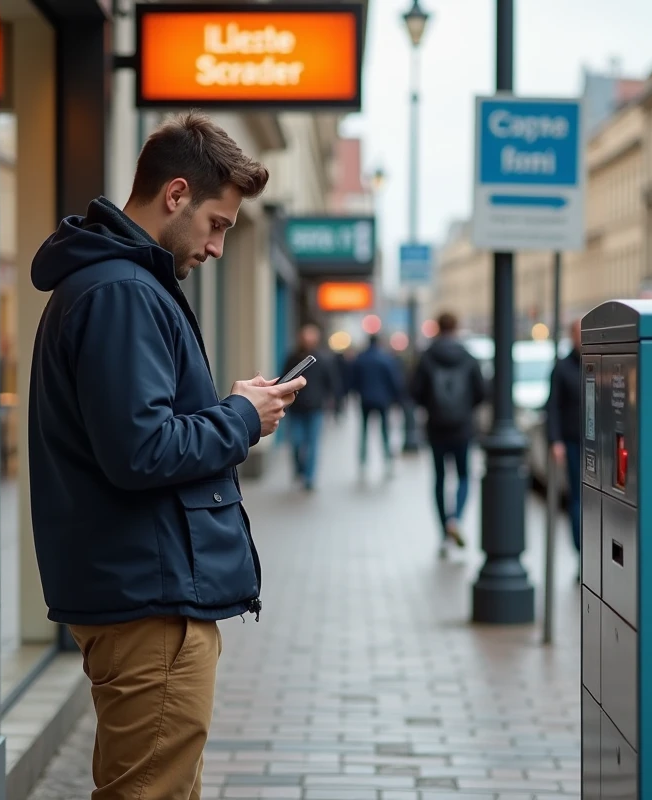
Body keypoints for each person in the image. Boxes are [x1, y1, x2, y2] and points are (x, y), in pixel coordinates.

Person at [27, 111, 306, 800]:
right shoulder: (122, 291)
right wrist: (242, 418)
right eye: (218, 224)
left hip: (137, 586)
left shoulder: (119, 283)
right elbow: (141, 450)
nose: (215, 247)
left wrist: (229, 409)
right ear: (176, 195)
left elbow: (140, 431)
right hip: (147, 602)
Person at [410, 312, 489, 556]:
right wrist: (465, 409)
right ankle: (455, 519)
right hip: (462, 427)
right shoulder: (468, 357)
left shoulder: (426, 357)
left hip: (436, 427)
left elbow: (414, 391)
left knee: (439, 479)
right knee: (464, 476)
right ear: (456, 328)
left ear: (437, 328)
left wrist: (432, 408)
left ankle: (444, 533)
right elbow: (482, 392)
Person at [281, 323, 340, 491]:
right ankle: (300, 469)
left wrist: (334, 404)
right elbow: (283, 380)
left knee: (313, 444)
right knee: (297, 442)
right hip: (296, 407)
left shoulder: (323, 359)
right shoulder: (293, 358)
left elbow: (331, 382)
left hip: (316, 408)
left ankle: (309, 478)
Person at [547, 319, 584, 563]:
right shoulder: (562, 368)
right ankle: (581, 553)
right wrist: (555, 441)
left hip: (600, 444)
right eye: (579, 334)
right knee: (578, 498)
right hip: (572, 441)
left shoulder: (600, 364)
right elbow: (553, 407)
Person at [349, 333, 404, 477]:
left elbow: (353, 380)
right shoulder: (386, 359)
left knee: (364, 432)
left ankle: (362, 462)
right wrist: (397, 399)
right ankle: (387, 461)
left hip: (365, 399)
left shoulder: (361, 358)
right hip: (383, 400)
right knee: (385, 432)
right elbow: (394, 380)